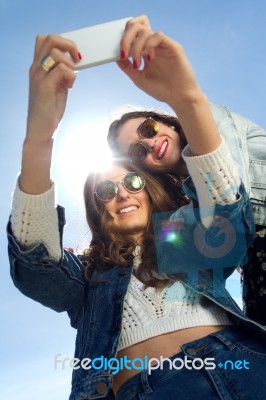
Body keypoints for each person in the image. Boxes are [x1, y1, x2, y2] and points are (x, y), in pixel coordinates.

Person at [7, 15, 266, 400]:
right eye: (105, 190)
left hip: (239, 368)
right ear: (97, 212)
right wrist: (40, 138)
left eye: (132, 181)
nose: (121, 193)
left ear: (150, 188)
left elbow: (226, 210)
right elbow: (34, 266)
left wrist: (185, 97)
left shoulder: (180, 238)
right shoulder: (86, 278)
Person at [107, 16, 266, 326]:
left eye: (148, 129)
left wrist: (184, 99)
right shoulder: (185, 206)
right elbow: (209, 257)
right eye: (138, 152)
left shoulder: (208, 121)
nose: (150, 144)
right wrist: (114, 243)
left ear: (164, 120)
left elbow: (231, 208)